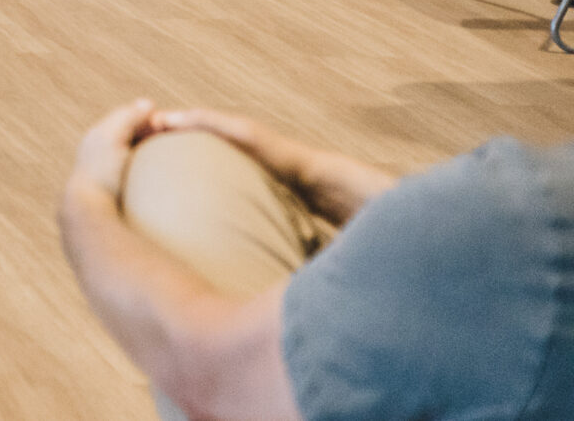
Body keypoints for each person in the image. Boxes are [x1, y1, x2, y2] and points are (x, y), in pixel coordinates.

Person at [59, 98, 574, 420]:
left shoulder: (529, 226)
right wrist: (306, 170)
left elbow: (212, 374)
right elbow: (484, 260)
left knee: (175, 163)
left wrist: (85, 204)